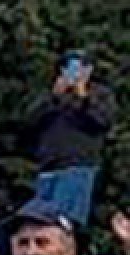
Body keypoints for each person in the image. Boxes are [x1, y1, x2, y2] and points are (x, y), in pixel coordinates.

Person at [27, 51, 113, 230]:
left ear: (89, 70)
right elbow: (31, 121)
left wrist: (83, 98)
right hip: (49, 165)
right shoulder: (51, 94)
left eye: (80, 68)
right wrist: (54, 97)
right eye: (68, 68)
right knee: (41, 220)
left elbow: (101, 122)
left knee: (64, 221)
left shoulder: (99, 94)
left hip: (78, 164)